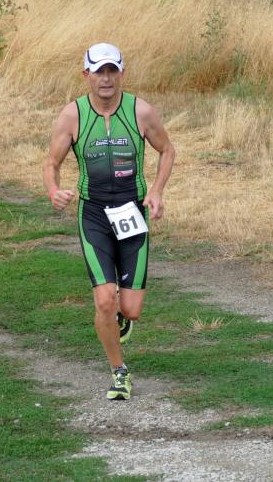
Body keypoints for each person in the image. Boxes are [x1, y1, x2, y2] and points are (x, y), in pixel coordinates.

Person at [43, 42, 175, 400]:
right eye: (98, 71)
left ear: (121, 73)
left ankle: (121, 318)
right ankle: (119, 372)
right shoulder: (72, 115)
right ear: (85, 74)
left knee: (131, 308)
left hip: (133, 211)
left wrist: (157, 191)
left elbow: (167, 150)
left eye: (112, 70)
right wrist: (53, 190)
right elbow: (51, 163)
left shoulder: (141, 111)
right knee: (104, 299)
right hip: (94, 214)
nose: (105, 78)